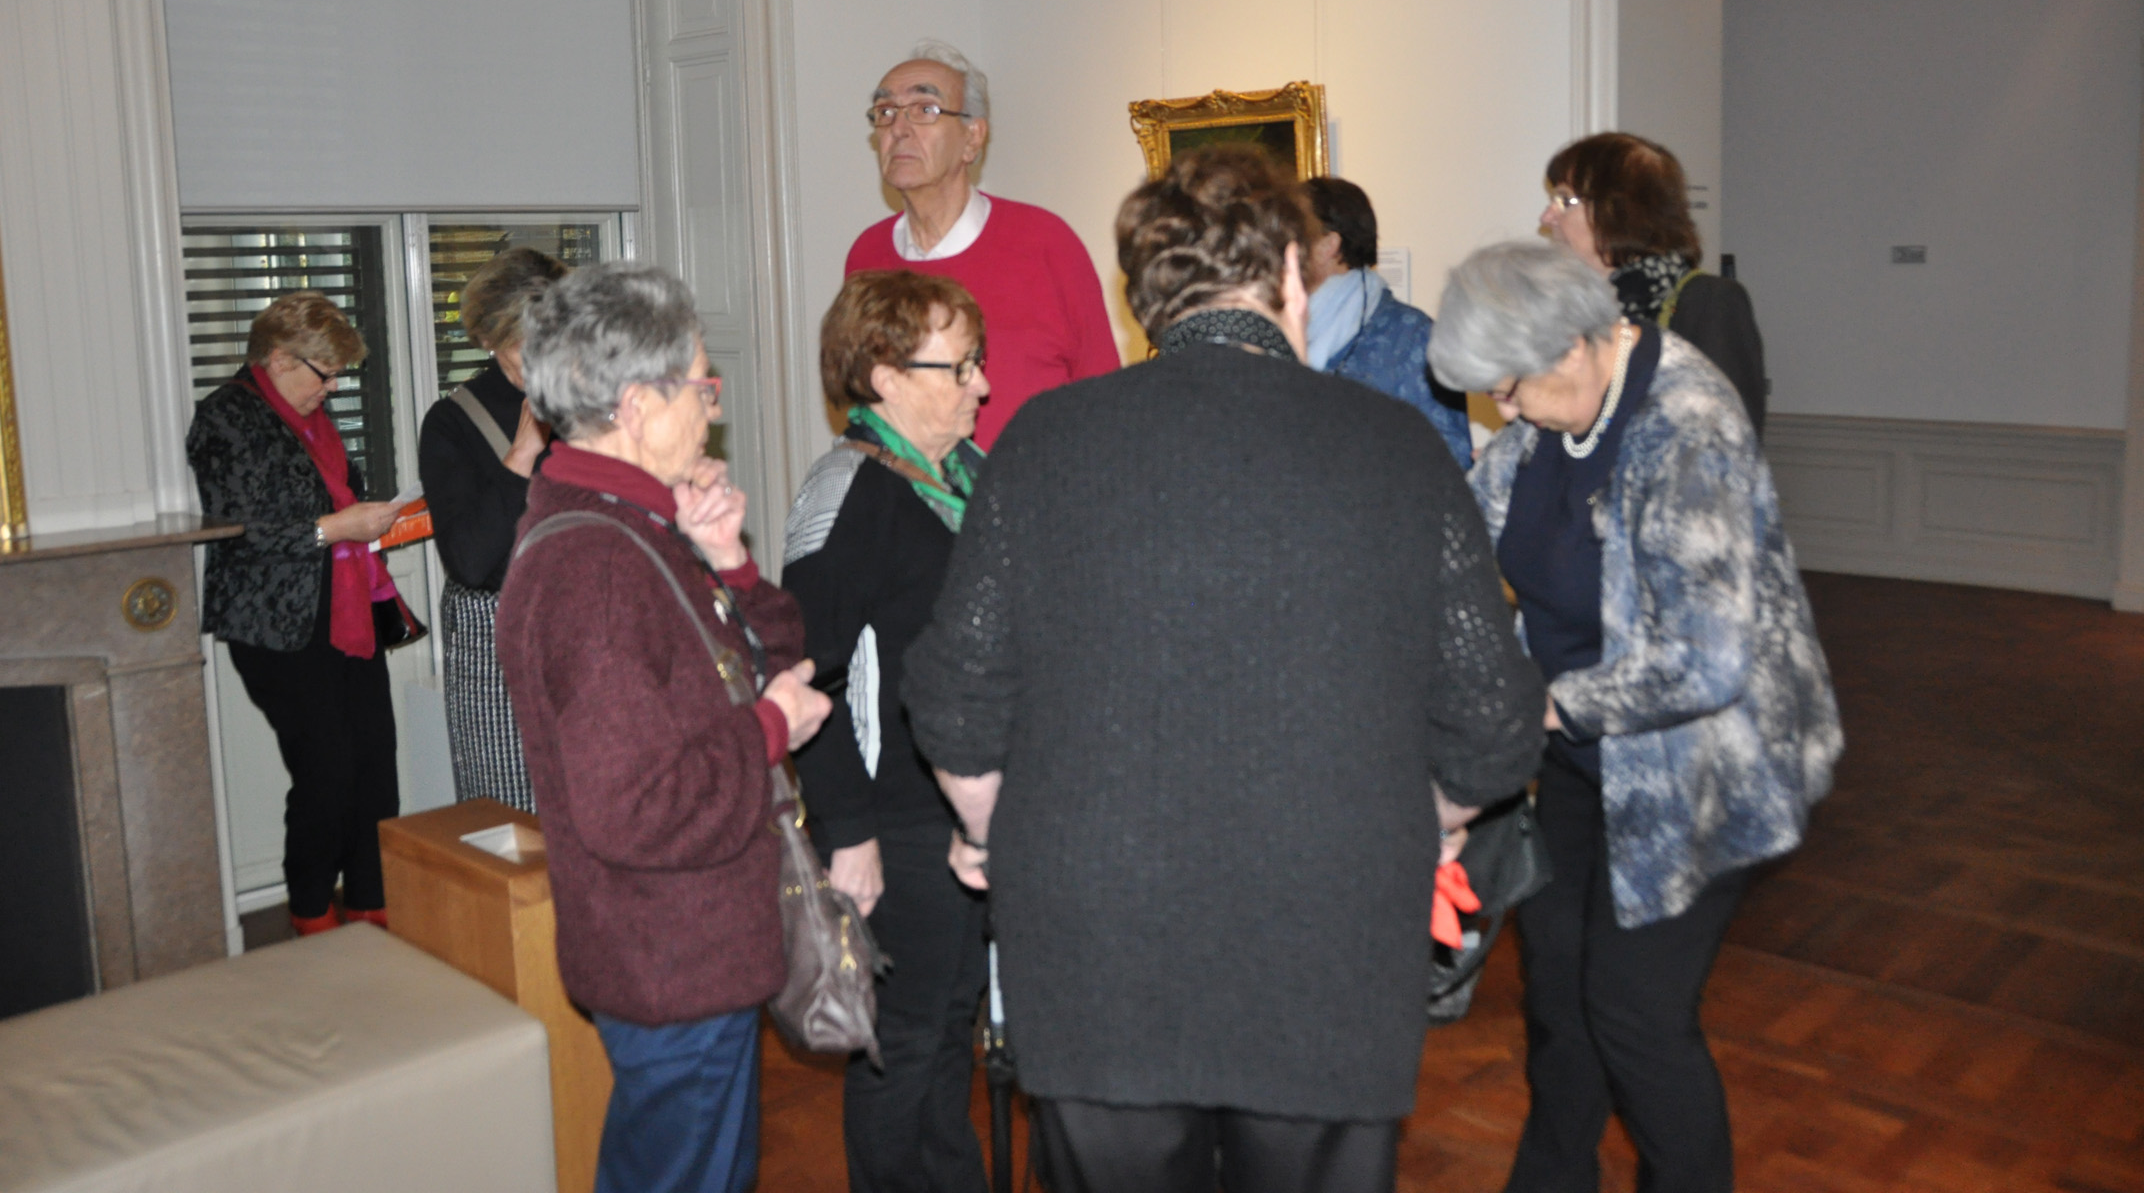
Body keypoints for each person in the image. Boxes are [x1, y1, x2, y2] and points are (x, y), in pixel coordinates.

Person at [903, 145, 1547, 1193]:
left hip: (1096, 937)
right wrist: (1424, 817)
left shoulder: (1045, 441)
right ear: (1291, 273)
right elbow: (1493, 716)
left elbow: (955, 693)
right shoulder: (1395, 446)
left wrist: (985, 829)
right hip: (1327, 928)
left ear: (1141, 300)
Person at [1428, 241, 1842, 1193]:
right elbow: (1458, 538)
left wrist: (1538, 706)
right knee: (1559, 997)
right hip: (1583, 759)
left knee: (1634, 1016)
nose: (1503, 411)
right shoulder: (1545, 424)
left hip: (1699, 768)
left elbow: (1704, 658)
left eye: (1509, 387)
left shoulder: (1686, 424)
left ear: (1571, 346)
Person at [495, 262, 833, 1193]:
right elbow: (637, 806)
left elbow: (774, 655)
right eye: (700, 387)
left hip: (686, 950)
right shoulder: (598, 565)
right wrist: (770, 727)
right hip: (672, 959)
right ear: (639, 407)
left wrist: (729, 561)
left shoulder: (633, 526)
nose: (711, 411)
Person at [781, 270, 994, 1193]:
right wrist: (849, 832)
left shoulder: (965, 476)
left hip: (968, 805)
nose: (982, 384)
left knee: (949, 1034)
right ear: (886, 377)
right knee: (900, 1048)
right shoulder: (848, 492)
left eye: (978, 362)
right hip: (896, 821)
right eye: (961, 367)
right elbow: (809, 673)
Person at [187, 291, 410, 937]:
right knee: (326, 769)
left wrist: (372, 520)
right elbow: (240, 531)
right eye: (325, 373)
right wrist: (337, 527)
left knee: (375, 758)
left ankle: (370, 898)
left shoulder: (312, 415)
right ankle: (310, 907)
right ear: (281, 358)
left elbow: (334, 497)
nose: (333, 388)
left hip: (347, 605)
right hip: (274, 624)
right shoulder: (225, 416)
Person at [845, 38, 1117, 447]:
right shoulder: (867, 256)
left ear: (972, 138)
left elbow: (1106, 401)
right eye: (885, 112)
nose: (898, 129)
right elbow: (865, 410)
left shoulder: (1046, 243)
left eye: (925, 109)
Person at [418, 246, 568, 811]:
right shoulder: (453, 422)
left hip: (586, 620)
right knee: (508, 819)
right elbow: (470, 561)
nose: (539, 355)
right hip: (495, 637)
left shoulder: (593, 403)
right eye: (522, 340)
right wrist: (523, 453)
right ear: (488, 336)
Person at [1540, 132, 1768, 436]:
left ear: (1621, 210)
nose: (1547, 217)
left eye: (1564, 200)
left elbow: (1728, 440)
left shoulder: (1708, 301)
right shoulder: (1570, 314)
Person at [1301, 175, 1473, 464]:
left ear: (1328, 245)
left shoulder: (1413, 337)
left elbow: (1449, 461)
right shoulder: (1275, 329)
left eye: (1290, 233)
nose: (1275, 246)